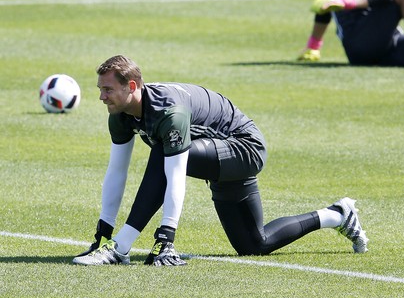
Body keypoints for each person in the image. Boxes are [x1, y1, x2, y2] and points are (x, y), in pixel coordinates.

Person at [73, 55, 368, 266]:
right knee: (254, 244)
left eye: (107, 89)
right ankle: (337, 215)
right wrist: (104, 228)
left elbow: (175, 173)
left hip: (244, 149)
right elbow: (117, 171)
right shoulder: (120, 114)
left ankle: (121, 248)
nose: (101, 96)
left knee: (164, 151)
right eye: (100, 89)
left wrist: (166, 236)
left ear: (132, 87)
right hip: (216, 154)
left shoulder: (168, 113)